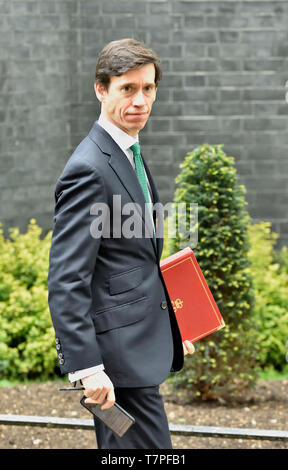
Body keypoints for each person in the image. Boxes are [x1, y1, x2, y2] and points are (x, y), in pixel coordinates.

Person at [47, 38, 195, 450]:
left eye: (148, 88)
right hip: (116, 366)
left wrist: (169, 323)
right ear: (101, 89)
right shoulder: (89, 168)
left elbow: (130, 260)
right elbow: (66, 280)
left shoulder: (126, 149)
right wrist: (88, 369)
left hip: (137, 353)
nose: (140, 100)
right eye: (127, 88)